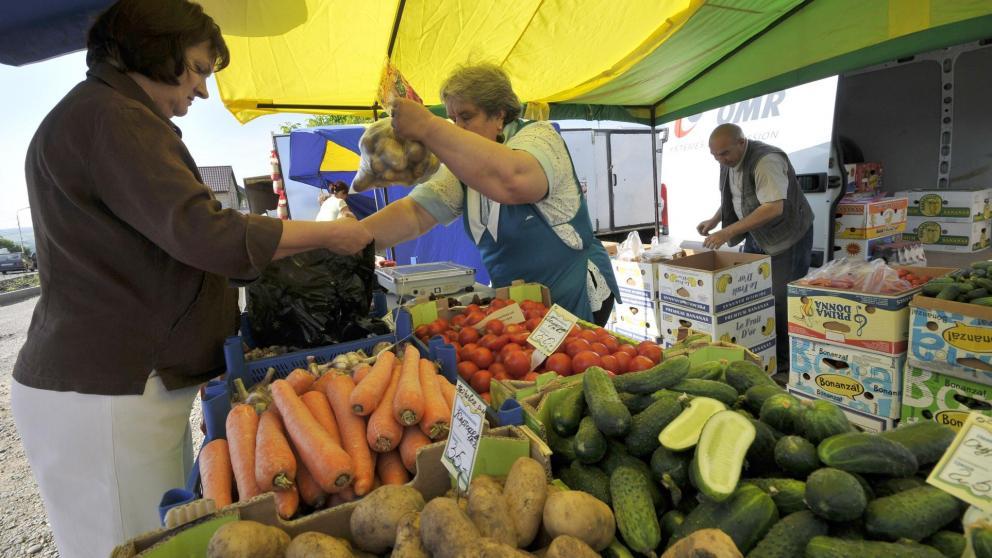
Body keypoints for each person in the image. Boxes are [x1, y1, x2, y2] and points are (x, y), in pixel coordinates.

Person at [10, 2, 372, 556]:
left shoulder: (103, 114)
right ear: (157, 49)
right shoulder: (114, 117)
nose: (202, 91)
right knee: (128, 546)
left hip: (120, 384)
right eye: (199, 68)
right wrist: (327, 235)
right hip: (111, 386)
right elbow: (208, 235)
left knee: (158, 538)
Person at [363, 63, 619, 324]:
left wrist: (429, 127)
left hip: (573, 290)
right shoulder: (464, 165)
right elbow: (416, 213)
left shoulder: (538, 138)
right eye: (453, 119)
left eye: (466, 117)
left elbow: (513, 180)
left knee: (575, 360)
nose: (457, 128)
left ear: (499, 115)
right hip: (523, 306)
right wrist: (353, 238)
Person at [696, 124, 814, 374]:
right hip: (758, 235)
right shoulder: (729, 160)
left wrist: (727, 232)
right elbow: (736, 196)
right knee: (752, 293)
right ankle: (760, 350)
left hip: (787, 236)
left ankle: (784, 361)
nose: (720, 159)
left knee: (780, 299)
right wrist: (715, 220)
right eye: (714, 155)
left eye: (724, 154)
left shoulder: (766, 161)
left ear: (742, 142)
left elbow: (773, 207)